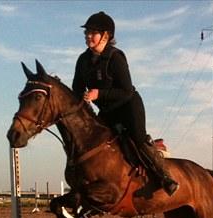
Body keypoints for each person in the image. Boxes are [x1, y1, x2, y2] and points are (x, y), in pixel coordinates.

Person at [72, 11, 178, 196]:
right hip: (107, 111)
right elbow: (76, 89)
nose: (88, 36)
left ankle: (164, 177)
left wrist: (99, 94)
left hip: (128, 106)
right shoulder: (83, 60)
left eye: (93, 32)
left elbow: (126, 90)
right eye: (86, 32)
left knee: (137, 138)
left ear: (106, 35)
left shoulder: (115, 57)